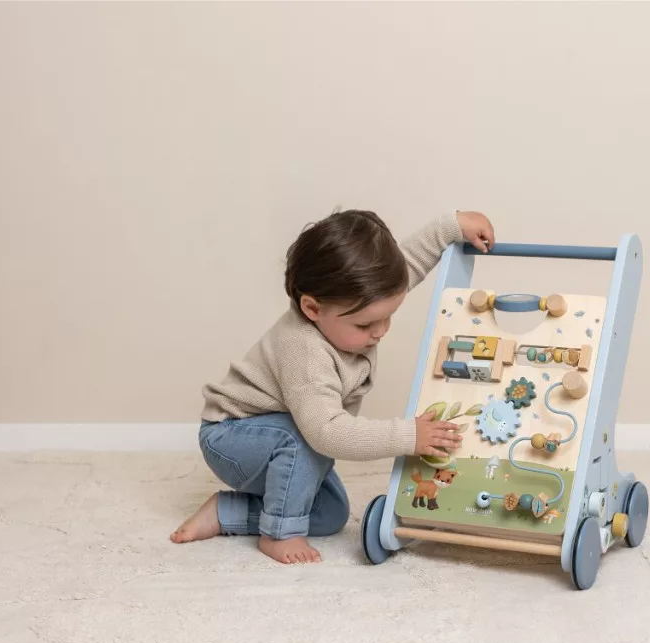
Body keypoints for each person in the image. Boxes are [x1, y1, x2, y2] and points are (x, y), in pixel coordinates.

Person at [170, 208, 496, 564]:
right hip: (232, 436)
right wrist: (408, 436)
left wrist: (451, 227)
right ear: (312, 308)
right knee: (303, 440)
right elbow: (327, 433)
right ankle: (278, 534)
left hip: (284, 433)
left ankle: (225, 513)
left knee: (329, 513)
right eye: (364, 325)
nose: (380, 331)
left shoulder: (352, 302)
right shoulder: (305, 351)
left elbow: (408, 264)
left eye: (388, 316)